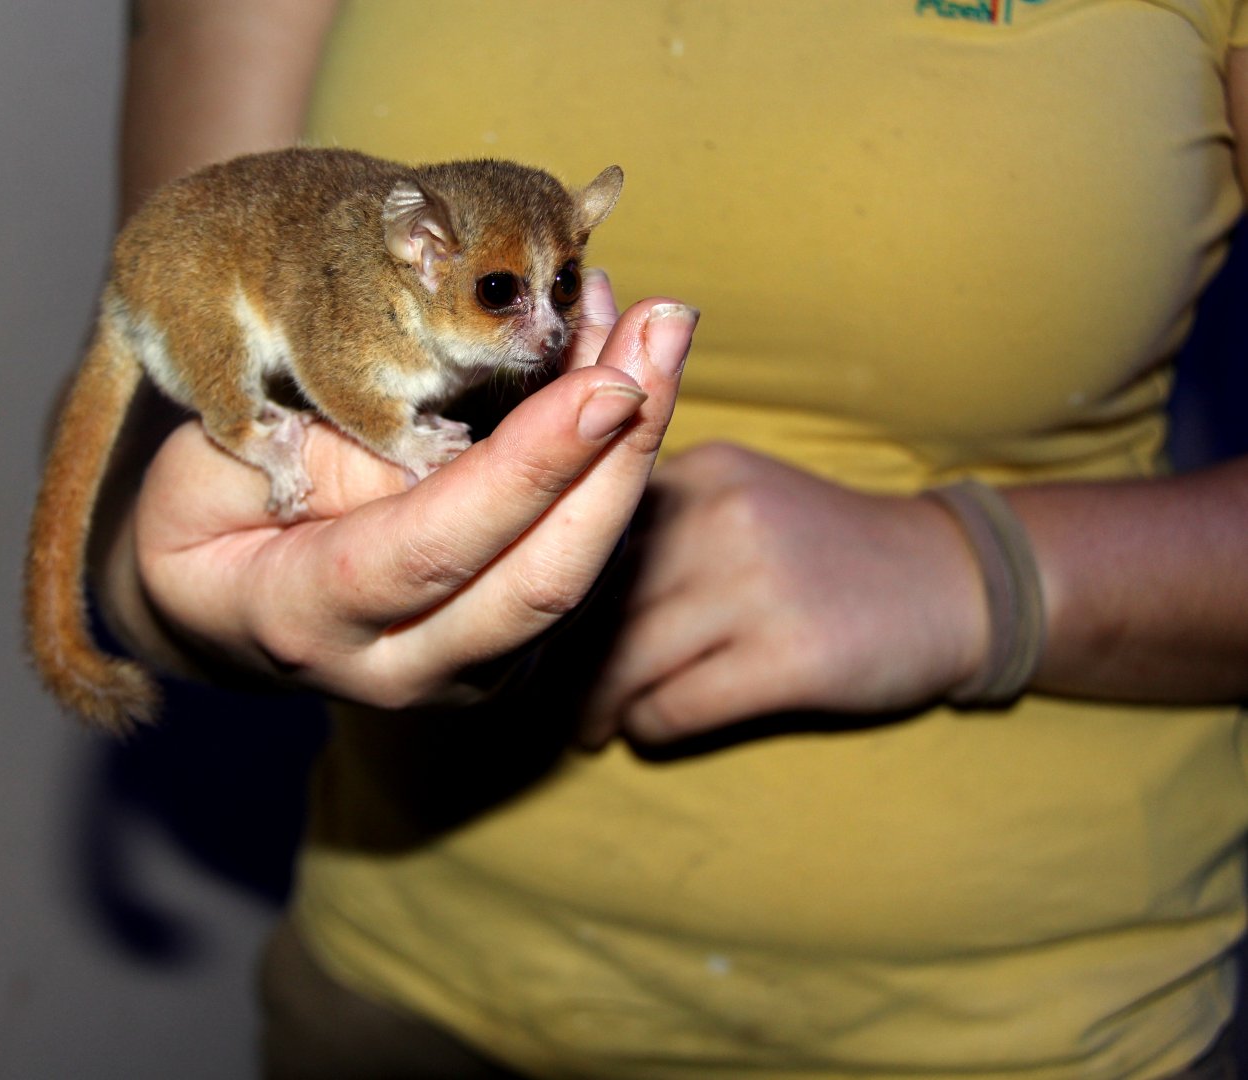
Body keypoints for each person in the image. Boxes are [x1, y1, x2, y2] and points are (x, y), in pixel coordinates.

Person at [87, 2, 1248, 1076]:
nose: (543, 334)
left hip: (1036, 1020)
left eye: (560, 287)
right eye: (508, 301)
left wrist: (987, 575)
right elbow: (149, 383)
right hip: (411, 989)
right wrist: (186, 579)